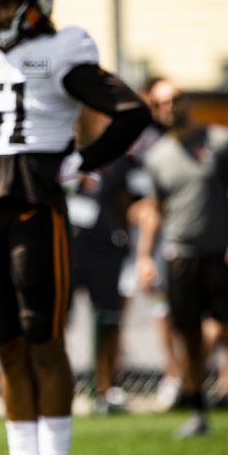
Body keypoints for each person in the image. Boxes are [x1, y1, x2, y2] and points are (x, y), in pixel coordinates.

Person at [0, 0, 150, 455]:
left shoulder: (62, 50)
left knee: (44, 338)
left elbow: (131, 111)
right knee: (5, 342)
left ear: (34, 0)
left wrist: (82, 160)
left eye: (0, 2)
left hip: (34, 203)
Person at [135, 78, 228, 439]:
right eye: (162, 103)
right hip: (181, 256)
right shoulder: (157, 157)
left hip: (222, 254)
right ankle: (196, 409)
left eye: (176, 100)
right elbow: (155, 210)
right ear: (156, 111)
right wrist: (145, 256)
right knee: (187, 338)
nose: (170, 108)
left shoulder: (220, 142)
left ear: (187, 102)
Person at [68, 111, 143, 415]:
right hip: (69, 249)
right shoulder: (64, 157)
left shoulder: (121, 163)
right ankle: (57, 387)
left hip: (107, 252)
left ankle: (107, 388)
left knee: (109, 320)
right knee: (55, 323)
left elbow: (135, 201)